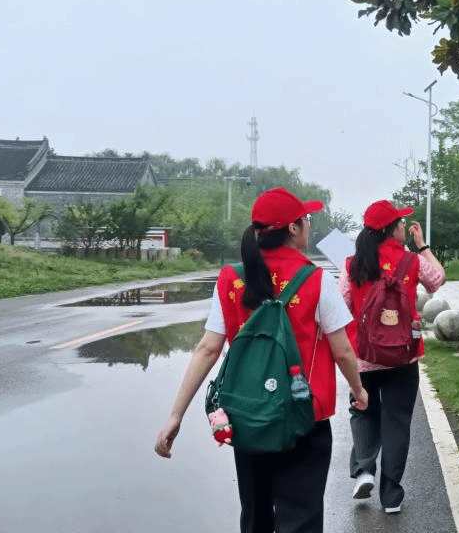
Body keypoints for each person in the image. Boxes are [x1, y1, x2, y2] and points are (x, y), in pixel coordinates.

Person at [154, 187, 368, 533]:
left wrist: (175, 416)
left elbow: (207, 349)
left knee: (255, 516)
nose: (309, 225)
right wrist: (358, 391)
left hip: (248, 416)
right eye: (306, 220)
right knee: (301, 518)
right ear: (293, 228)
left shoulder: (230, 279)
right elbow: (342, 351)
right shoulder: (316, 280)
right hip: (304, 416)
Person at [338, 199, 445, 514]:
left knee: (363, 411)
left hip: (364, 357)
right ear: (391, 229)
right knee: (397, 422)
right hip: (403, 356)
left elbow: (341, 305)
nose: (404, 226)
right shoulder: (412, 261)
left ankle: (364, 470)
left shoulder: (353, 264)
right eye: (400, 222)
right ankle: (391, 496)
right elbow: (437, 280)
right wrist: (422, 246)